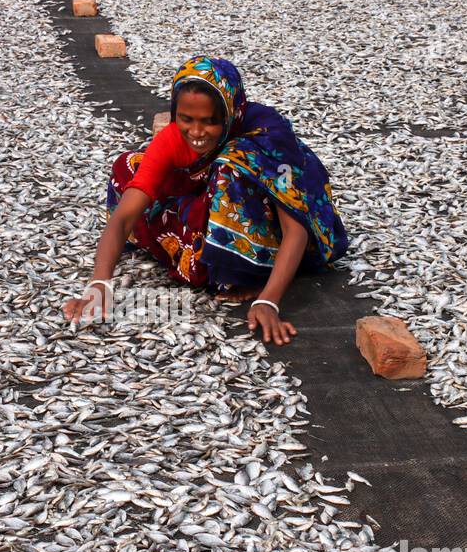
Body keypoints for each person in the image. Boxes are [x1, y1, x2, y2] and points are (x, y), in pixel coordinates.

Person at [62, 56, 348, 345]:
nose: (196, 133)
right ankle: (210, 248)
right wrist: (99, 285)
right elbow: (124, 216)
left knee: (230, 170)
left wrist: (268, 300)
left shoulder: (267, 135)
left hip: (276, 230)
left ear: (230, 113)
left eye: (210, 121)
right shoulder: (174, 139)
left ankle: (247, 272)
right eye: (186, 119)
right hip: (213, 198)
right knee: (129, 168)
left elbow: (295, 227)